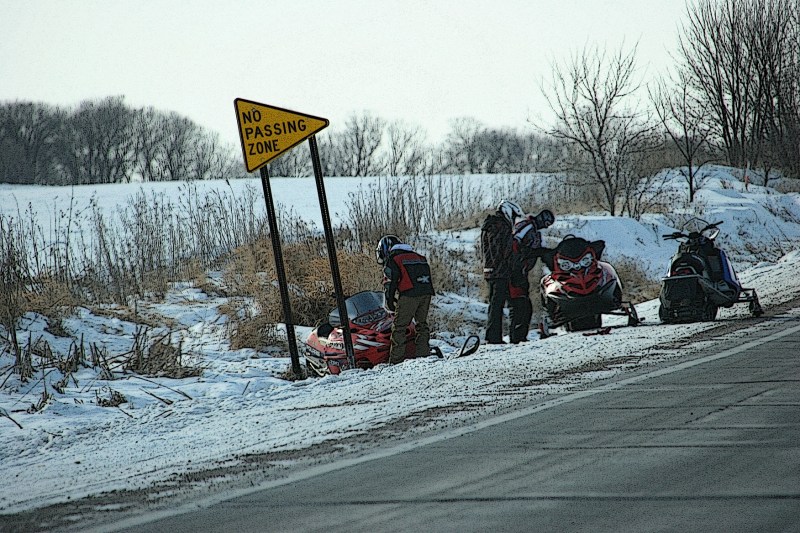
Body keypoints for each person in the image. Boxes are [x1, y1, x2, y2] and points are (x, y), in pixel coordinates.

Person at [376, 235, 435, 364]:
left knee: (399, 327)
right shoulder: (418, 256)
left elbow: (390, 283)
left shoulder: (394, 259)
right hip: (426, 292)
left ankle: (396, 361)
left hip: (409, 294)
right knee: (422, 325)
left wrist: (390, 302)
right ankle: (423, 355)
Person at [508, 209, 555, 343]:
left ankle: (519, 337)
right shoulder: (527, 226)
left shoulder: (535, 231)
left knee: (524, 306)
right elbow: (515, 243)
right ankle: (516, 338)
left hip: (522, 271)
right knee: (520, 305)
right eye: (545, 223)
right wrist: (518, 265)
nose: (545, 226)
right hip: (515, 272)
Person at [481, 200, 524, 344]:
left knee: (495, 304)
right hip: (500, 271)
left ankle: (494, 336)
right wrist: (514, 265)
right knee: (497, 305)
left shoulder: (491, 225)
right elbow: (504, 250)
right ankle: (493, 337)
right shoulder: (500, 226)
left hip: (491, 270)